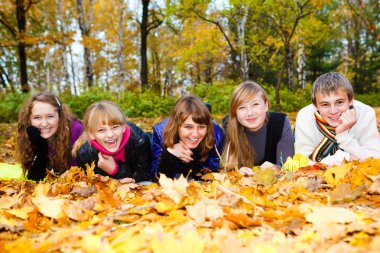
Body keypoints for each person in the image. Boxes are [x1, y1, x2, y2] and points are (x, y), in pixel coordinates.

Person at [295, 72, 380, 165]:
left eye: (339, 102)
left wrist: (344, 136)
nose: (333, 111)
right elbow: (302, 163)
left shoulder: (365, 113)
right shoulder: (305, 116)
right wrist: (341, 159)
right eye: (325, 104)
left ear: (351, 101)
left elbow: (375, 158)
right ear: (316, 106)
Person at [222, 81, 294, 171]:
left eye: (255, 104)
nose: (250, 113)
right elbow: (224, 168)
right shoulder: (228, 125)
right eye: (242, 107)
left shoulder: (280, 123)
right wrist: (237, 172)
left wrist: (276, 168)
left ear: (266, 106)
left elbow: (288, 168)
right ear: (235, 112)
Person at [72, 100, 151, 182]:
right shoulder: (84, 153)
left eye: (115, 127)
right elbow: (91, 184)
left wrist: (115, 169)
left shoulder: (139, 141)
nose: (110, 135)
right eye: (101, 130)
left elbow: (145, 175)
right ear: (91, 134)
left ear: (124, 127)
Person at [151, 96, 224, 180]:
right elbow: (156, 178)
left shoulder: (217, 135)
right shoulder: (161, 133)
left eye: (201, 127)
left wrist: (190, 161)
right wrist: (169, 154)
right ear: (176, 126)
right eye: (188, 127)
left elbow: (213, 175)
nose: (195, 134)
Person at [15, 92, 83, 181]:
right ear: (29, 120)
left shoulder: (75, 131)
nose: (44, 124)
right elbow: (34, 179)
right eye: (37, 117)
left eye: (50, 116)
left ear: (60, 116)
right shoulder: (32, 134)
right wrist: (42, 149)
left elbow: (76, 175)